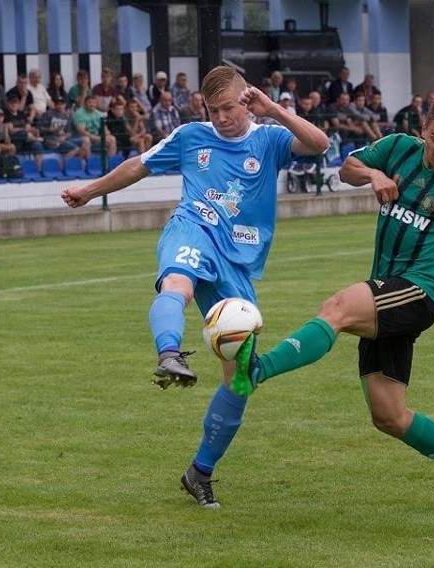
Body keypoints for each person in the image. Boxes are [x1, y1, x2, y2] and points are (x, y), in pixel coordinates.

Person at [60, 65, 329, 508]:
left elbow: (318, 146)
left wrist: (275, 111)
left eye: (229, 107)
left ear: (246, 100)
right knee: (177, 284)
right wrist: (90, 191)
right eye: (213, 109)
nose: (221, 117)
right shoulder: (191, 137)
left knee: (240, 378)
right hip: (192, 230)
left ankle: (199, 472)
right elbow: (137, 166)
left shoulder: (269, 139)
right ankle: (169, 353)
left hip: (237, 264)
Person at [230, 96, 434, 506]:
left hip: (419, 291)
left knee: (337, 309)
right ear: (423, 129)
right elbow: (347, 168)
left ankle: (257, 370)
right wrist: (375, 175)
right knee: (389, 416)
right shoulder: (398, 148)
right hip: (386, 287)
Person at [39, 95, 89, 160]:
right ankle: (61, 166)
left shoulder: (66, 116)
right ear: (54, 104)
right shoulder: (47, 114)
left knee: (86, 141)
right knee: (76, 149)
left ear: (65, 105)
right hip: (50, 140)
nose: (60, 106)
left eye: (62, 104)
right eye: (58, 104)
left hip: (63, 139)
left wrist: (64, 137)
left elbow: (69, 133)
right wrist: (50, 130)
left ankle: (84, 166)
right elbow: (40, 129)